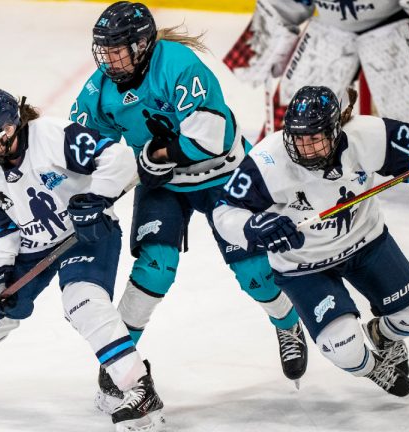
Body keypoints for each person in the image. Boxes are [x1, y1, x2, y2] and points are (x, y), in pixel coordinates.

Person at [69, 1, 308, 410]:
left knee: (255, 274)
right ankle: (120, 358)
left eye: (118, 50)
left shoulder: (179, 64)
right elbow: (81, 148)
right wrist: (86, 193)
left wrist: (155, 157)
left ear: (142, 45)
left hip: (225, 173)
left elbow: (212, 137)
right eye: (103, 51)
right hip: (162, 186)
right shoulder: (99, 90)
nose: (109, 60)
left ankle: (287, 324)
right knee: (154, 270)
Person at [0, 87, 165, 431]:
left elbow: (117, 159)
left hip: (85, 235)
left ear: (11, 128)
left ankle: (138, 388)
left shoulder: (53, 136)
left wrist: (96, 198)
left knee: (83, 303)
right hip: (33, 246)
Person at [213, 85, 409, 396]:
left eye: (314, 139)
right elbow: (225, 212)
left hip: (365, 242)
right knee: (343, 348)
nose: (305, 148)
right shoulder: (267, 160)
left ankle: (383, 335)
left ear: (335, 131)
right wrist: (255, 225)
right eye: (298, 138)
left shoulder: (365, 134)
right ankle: (374, 368)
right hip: (303, 265)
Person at [223, 0, 409, 207]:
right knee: (294, 106)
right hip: (329, 31)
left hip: (389, 30)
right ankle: (269, 175)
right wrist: (267, 39)